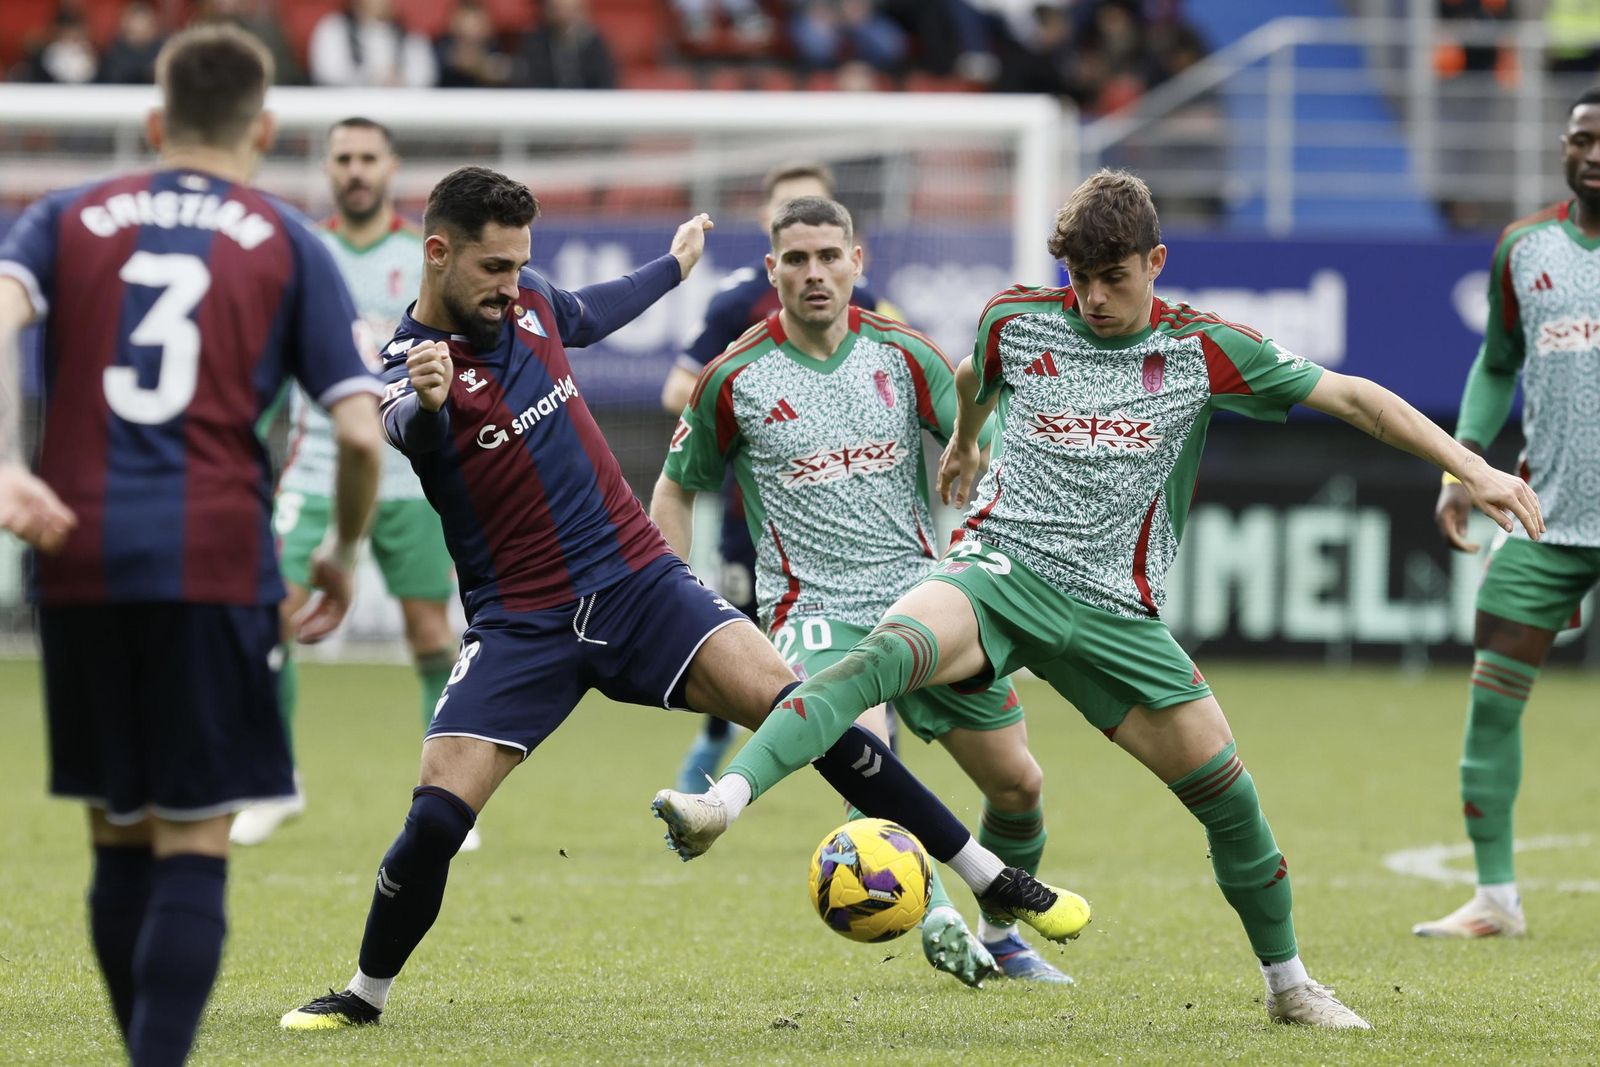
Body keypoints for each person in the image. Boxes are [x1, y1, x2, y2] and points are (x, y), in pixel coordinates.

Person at [652, 168, 1546, 1030]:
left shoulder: (1202, 348)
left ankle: (1290, 986)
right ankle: (720, 802)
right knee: (879, 657)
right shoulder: (1018, 318)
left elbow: (1353, 399)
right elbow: (972, 375)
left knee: (1227, 799)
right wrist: (965, 444)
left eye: (1112, 279)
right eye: (1077, 279)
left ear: (1155, 263)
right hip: (1000, 571)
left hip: (1116, 613)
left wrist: (1474, 467)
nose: (1091, 300)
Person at [279, 166, 1090, 1031]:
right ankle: (364, 994)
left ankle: (991, 878)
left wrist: (673, 267)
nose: (511, 286)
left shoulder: (531, 304)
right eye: (492, 269)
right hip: (522, 623)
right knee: (436, 816)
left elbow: (590, 311)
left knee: (808, 710)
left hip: (638, 582)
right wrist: (437, 405)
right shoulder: (406, 366)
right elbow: (413, 429)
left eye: (520, 266)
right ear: (436, 255)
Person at [0, 25, 384, 1065]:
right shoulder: (287, 239)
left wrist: (4, 463)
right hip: (214, 558)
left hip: (76, 553)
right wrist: (344, 551)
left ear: (153, 122)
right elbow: (358, 427)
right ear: (264, 127)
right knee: (193, 838)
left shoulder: (65, 216)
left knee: (119, 831)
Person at [653, 194, 1073, 986]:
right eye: (797, 259)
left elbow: (972, 426)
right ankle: (938, 911)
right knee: (864, 750)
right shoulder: (734, 375)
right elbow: (676, 488)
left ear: (858, 262)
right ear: (772, 269)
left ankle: (1002, 935)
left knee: (1019, 784)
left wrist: (972, 456)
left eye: (829, 256)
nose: (815, 273)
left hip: (925, 600)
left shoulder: (903, 353)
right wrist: (676, 596)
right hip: (813, 609)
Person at [232, 118, 464, 848]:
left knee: (432, 632)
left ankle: (447, 795)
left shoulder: (423, 255)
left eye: (368, 158)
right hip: (313, 468)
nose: (356, 170)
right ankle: (275, 781)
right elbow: (269, 358)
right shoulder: (306, 249)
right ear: (327, 169)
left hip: (410, 473)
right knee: (269, 618)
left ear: (391, 166)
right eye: (344, 159)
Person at [1413, 88, 1600, 940]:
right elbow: (1497, 363)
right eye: (1581, 138)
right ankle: (1496, 897)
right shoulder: (1525, 247)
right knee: (1491, 698)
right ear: (1563, 148)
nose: (1593, 152)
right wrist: (1466, 462)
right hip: (1548, 516)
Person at [660, 161, 895, 798]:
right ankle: (717, 742)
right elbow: (679, 388)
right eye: (789, 211)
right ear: (768, 225)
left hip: (851, 528)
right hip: (755, 515)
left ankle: (841, 779)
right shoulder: (737, 302)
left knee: (867, 669)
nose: (814, 266)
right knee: (740, 641)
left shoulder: (866, 305)